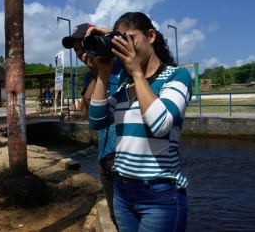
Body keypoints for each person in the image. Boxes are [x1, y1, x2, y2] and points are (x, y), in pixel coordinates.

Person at [89, 12, 192, 232]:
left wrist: (136, 72)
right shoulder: (124, 87)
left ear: (151, 36)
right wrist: (103, 75)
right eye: (120, 41)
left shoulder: (177, 76)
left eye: (130, 38)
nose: (126, 47)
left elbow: (160, 125)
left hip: (160, 194)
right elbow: (96, 121)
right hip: (122, 190)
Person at [62, 23, 123, 227]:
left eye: (84, 47)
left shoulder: (122, 65)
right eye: (77, 50)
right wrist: (97, 75)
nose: (80, 53)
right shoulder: (90, 75)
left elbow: (140, 42)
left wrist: (105, 31)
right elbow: (88, 115)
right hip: (104, 154)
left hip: (123, 153)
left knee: (128, 215)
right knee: (116, 216)